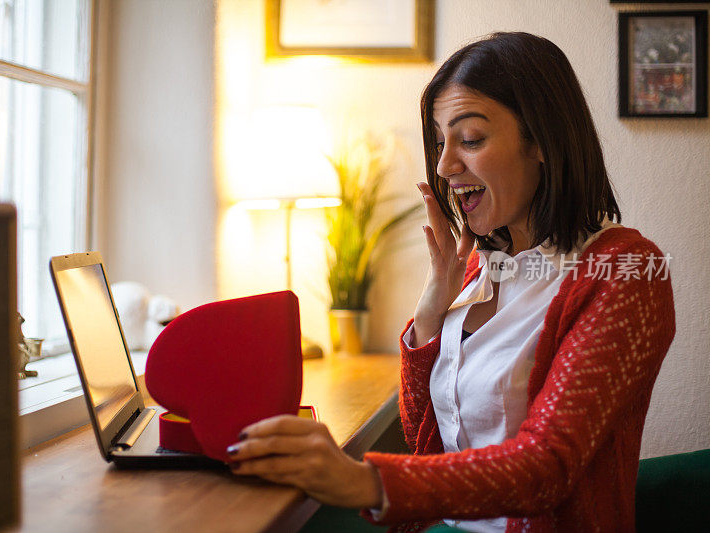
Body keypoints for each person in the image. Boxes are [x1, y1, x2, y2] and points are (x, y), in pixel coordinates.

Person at [225, 32, 675, 532]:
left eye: (471, 139)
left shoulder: (624, 271)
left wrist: (366, 483)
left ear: (543, 141)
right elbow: (425, 439)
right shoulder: (484, 263)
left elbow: (547, 467)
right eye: (440, 142)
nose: (445, 166)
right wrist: (431, 311)